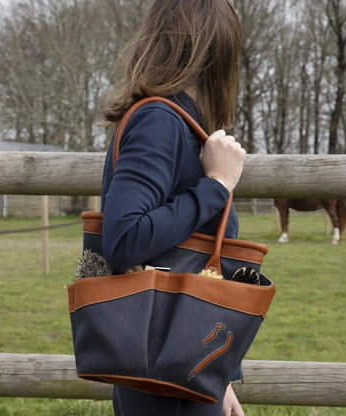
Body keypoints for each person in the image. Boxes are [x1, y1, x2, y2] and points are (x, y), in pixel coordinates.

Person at [100, 0, 246, 415]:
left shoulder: (182, 123)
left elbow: (199, 259)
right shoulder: (161, 122)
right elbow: (125, 239)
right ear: (217, 50)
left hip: (180, 365)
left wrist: (219, 375)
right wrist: (216, 185)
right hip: (164, 372)